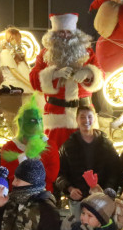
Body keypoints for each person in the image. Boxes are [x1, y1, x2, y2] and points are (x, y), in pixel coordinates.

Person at [29, 13, 104, 153]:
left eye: (68, 32)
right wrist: (54, 74)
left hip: (84, 113)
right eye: (60, 32)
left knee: (87, 153)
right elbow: (33, 79)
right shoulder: (45, 54)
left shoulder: (87, 53)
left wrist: (88, 73)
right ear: (54, 34)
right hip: (57, 115)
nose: (65, 36)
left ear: (75, 34)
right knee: (55, 153)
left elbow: (101, 76)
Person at [55, 105, 123, 206]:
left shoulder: (106, 144)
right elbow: (59, 174)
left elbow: (115, 170)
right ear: (77, 120)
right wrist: (70, 189)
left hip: (102, 199)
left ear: (94, 119)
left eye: (89, 117)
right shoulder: (67, 146)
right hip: (78, 200)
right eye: (82, 117)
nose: (86, 120)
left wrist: (108, 190)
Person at [0, 95, 59, 193]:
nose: (36, 124)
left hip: (42, 195)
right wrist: (24, 157)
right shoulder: (9, 148)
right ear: (20, 122)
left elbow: (52, 176)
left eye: (39, 120)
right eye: (32, 120)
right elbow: (9, 176)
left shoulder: (50, 145)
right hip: (17, 195)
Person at [0, 27, 33, 96]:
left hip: (21, 83)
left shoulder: (15, 53)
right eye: (18, 39)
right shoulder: (5, 53)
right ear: (11, 39)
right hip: (13, 84)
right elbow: (14, 73)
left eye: (19, 39)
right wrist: (29, 84)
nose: (19, 41)